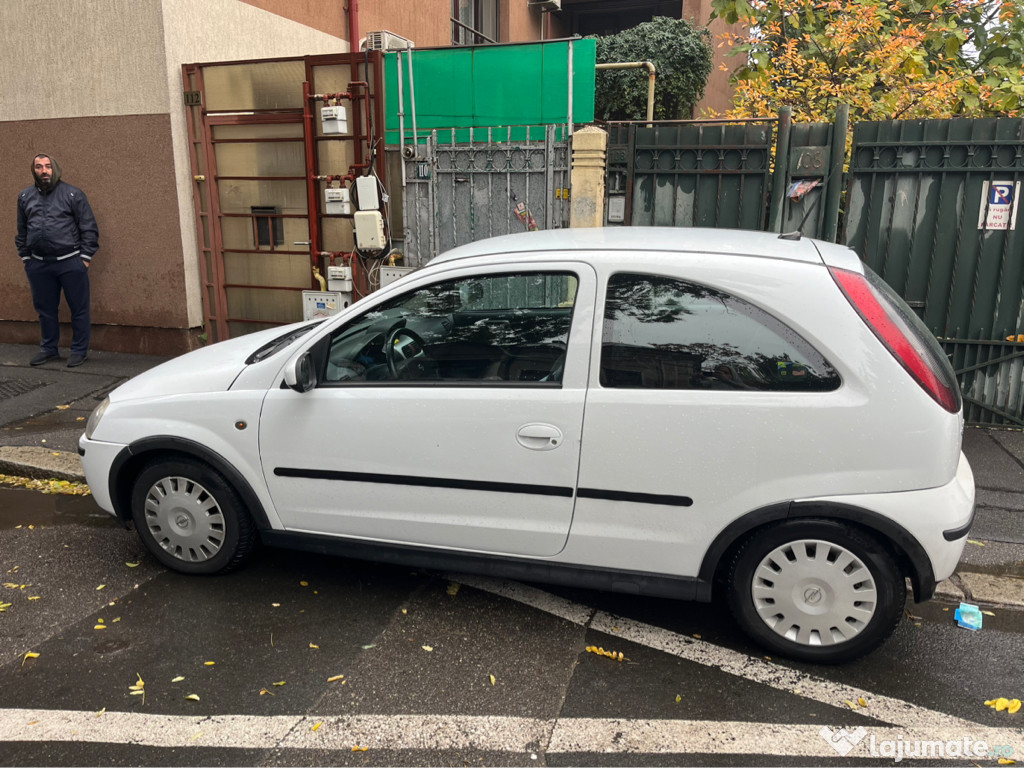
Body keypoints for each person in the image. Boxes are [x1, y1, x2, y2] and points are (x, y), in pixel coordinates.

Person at [15, 153, 98, 367]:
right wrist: (26, 258)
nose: (44, 170)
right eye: (39, 166)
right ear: (33, 170)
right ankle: (49, 349)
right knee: (45, 309)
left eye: (48, 166)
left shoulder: (72, 194)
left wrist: (84, 259)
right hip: (39, 264)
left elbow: (89, 228)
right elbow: (22, 230)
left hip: (70, 262)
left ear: (55, 169)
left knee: (78, 309)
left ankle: (79, 351)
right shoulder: (25, 196)